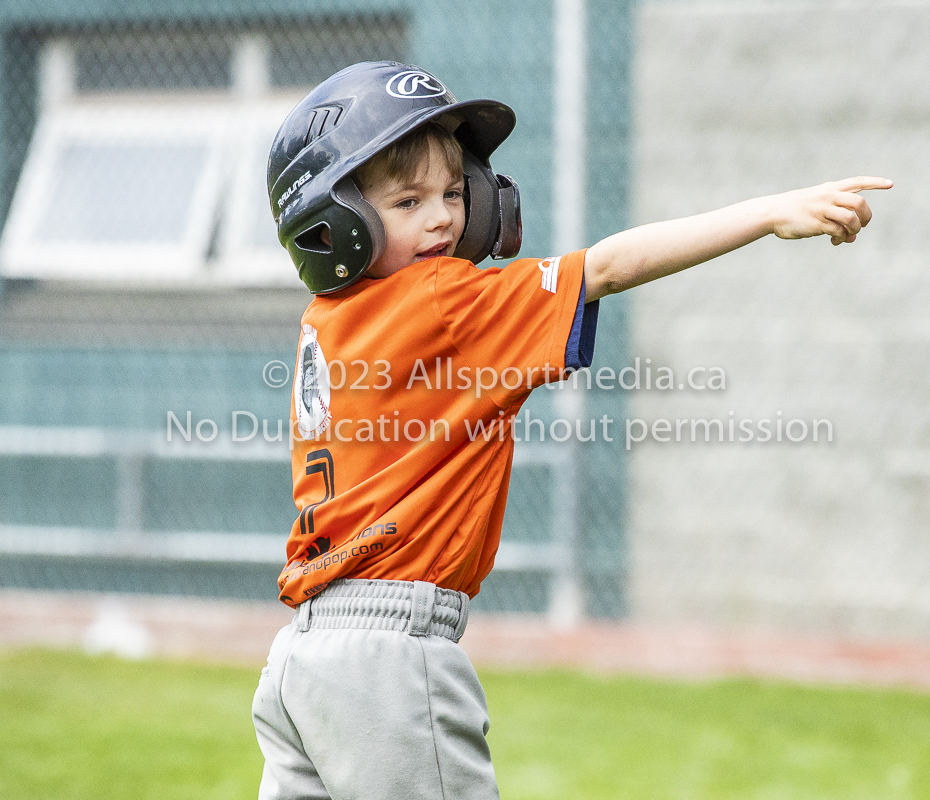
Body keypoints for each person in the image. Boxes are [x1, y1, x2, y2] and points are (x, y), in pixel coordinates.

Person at [254, 60, 891, 800]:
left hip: (303, 656)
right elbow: (609, 268)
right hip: (390, 660)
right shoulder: (444, 298)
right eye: (407, 200)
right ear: (336, 221)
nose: (442, 218)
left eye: (454, 193)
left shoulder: (324, 323)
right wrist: (768, 213)